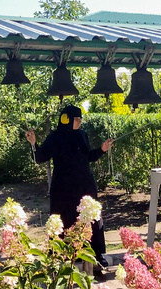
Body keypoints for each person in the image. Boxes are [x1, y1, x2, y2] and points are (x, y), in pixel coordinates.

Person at [25, 105, 113, 268]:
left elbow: (88, 157)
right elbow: (41, 157)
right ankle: (62, 255)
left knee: (91, 218)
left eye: (80, 119)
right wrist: (33, 143)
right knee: (64, 220)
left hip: (85, 185)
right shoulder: (55, 137)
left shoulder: (82, 135)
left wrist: (102, 149)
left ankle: (96, 254)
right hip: (64, 189)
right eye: (76, 119)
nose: (79, 122)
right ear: (66, 119)